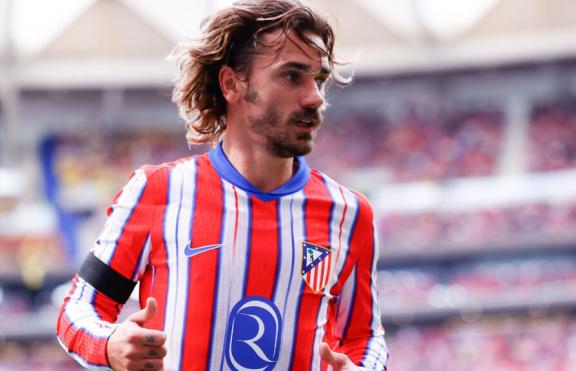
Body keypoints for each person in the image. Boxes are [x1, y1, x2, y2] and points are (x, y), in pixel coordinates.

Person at [56, 0, 389, 370]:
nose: (315, 97)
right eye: (293, 76)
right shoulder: (157, 191)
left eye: (319, 80)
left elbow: (365, 337)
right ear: (232, 84)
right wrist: (109, 344)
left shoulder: (350, 214)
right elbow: (79, 309)